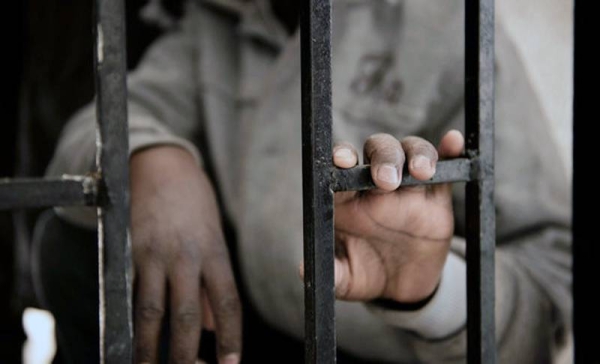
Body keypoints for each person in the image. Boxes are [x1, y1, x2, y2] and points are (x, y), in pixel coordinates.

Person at [39, 0, 572, 362]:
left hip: (403, 352)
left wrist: (433, 291)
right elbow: (93, 127)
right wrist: (154, 160)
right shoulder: (217, 23)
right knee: (73, 242)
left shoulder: (448, 24)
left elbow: (552, 278)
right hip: (256, 327)